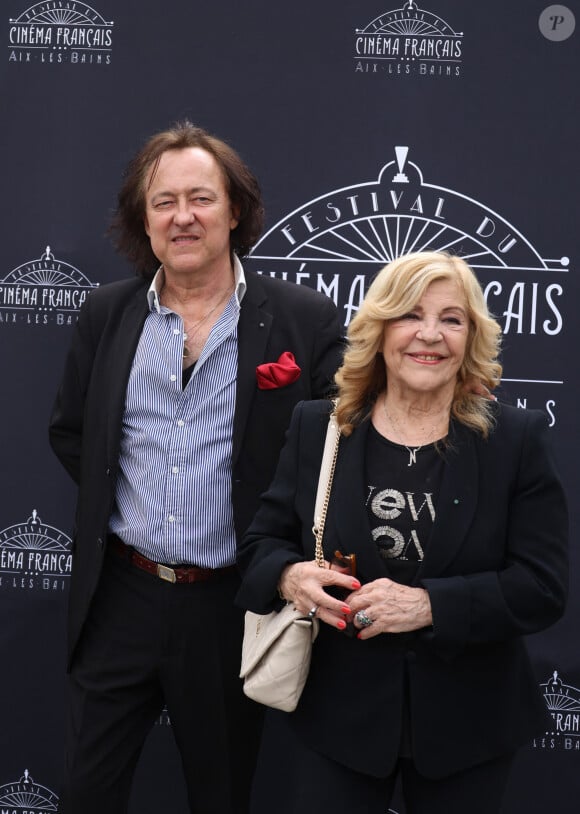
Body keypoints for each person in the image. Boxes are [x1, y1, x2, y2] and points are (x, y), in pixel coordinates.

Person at [48, 121, 344, 814]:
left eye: (201, 198)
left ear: (233, 210)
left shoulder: (302, 319)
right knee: (87, 793)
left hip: (232, 603)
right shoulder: (106, 314)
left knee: (221, 794)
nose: (183, 216)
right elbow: (72, 434)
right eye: (164, 202)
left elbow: (338, 447)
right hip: (119, 595)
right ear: (142, 220)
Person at [235, 251, 568, 814]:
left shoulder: (516, 439)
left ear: (472, 337)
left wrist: (428, 606)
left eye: (452, 319)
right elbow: (261, 546)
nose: (430, 335)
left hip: (471, 726)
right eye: (411, 314)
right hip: (338, 721)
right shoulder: (321, 427)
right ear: (380, 328)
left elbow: (542, 587)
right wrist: (292, 577)